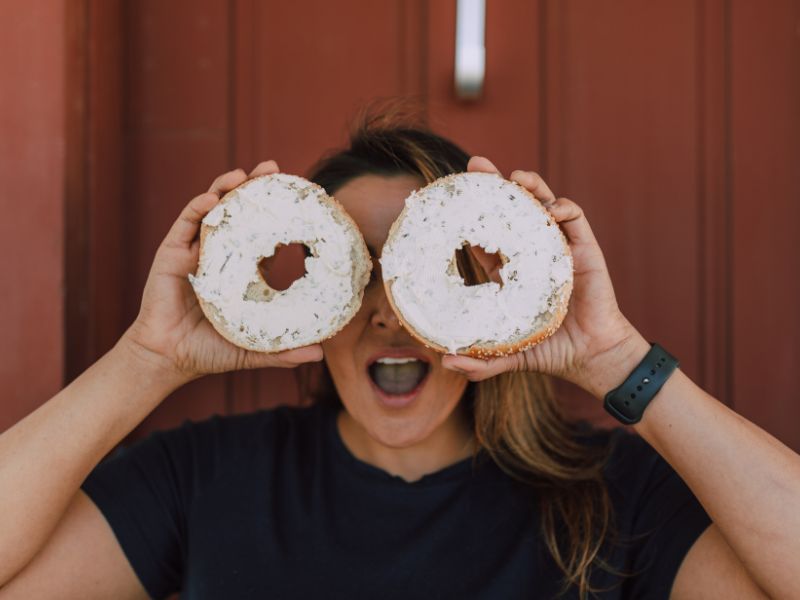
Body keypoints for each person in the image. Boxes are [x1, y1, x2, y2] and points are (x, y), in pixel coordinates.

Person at [1, 116, 798, 600]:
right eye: (357, 271)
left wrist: (617, 359)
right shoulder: (210, 479)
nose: (387, 310)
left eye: (423, 271)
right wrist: (147, 359)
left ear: (486, 287)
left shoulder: (610, 495)